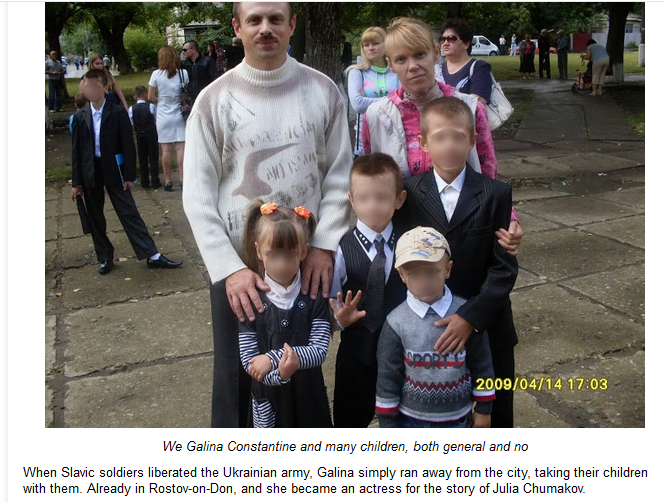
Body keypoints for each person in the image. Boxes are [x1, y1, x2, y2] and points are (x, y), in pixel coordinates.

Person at [182, 2, 352, 428]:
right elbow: (198, 196)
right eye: (254, 20)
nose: (265, 28)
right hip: (239, 272)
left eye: (276, 18)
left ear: (292, 24)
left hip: (302, 265)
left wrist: (323, 246)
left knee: (303, 374)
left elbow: (340, 176)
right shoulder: (213, 101)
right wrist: (229, 269)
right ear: (237, 27)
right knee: (239, 381)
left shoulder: (322, 91)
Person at [398, 96, 519, 428]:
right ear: (424, 143)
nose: (449, 145)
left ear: (473, 140)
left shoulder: (495, 193)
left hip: (487, 325)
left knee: (494, 417)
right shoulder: (409, 193)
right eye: (439, 137)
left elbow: (504, 267)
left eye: (458, 136)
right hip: (429, 331)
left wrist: (470, 317)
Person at [361, 17, 522, 257]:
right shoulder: (377, 116)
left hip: (465, 233)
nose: (413, 66)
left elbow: (488, 171)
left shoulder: (469, 108)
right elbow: (371, 179)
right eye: (401, 59)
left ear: (436, 53)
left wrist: (508, 217)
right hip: (404, 239)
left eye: (420, 54)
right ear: (390, 64)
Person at [375, 227, 495, 428]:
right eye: (414, 273)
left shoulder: (465, 316)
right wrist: (388, 423)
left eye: (431, 272)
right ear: (402, 275)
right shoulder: (396, 322)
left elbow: (482, 363)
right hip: (411, 421)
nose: (423, 281)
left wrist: (484, 409)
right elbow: (388, 376)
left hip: (458, 419)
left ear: (447, 269)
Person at [71, 69, 182, 275]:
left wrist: (129, 175)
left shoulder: (117, 112)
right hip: (90, 172)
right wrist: (76, 182)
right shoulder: (80, 116)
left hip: (114, 170)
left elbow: (128, 145)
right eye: (87, 86)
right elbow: (76, 150)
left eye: (94, 86)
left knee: (128, 212)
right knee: (95, 216)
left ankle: (151, 254)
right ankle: (104, 256)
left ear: (105, 88)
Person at [329, 153, 407, 428]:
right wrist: (339, 319)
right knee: (349, 422)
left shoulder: (408, 242)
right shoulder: (341, 247)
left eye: (382, 198)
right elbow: (331, 299)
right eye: (364, 198)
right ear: (351, 200)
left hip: (401, 354)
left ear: (399, 199)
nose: (372, 205)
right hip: (356, 354)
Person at [239, 201, 332, 427]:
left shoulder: (313, 295)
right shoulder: (251, 299)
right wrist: (280, 374)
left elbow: (319, 350)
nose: (281, 264)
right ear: (259, 251)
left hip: (308, 397)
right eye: (273, 255)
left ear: (304, 251)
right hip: (269, 399)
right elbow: (249, 361)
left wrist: (273, 359)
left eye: (290, 256)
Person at [345, 27, 400, 156]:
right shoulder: (357, 72)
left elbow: (404, 101)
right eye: (366, 45)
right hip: (366, 138)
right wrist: (392, 99)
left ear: (386, 44)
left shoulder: (397, 70)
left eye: (375, 43)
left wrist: (368, 100)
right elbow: (358, 105)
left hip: (394, 135)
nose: (370, 48)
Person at [148, 45, 188, 192]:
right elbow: (185, 92)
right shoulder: (183, 73)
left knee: (166, 149)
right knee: (180, 148)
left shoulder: (156, 75)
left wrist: (160, 100)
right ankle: (182, 179)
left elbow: (150, 96)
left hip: (163, 115)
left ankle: (168, 180)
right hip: (179, 113)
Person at [435, 18, 492, 104]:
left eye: (451, 38)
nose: (445, 43)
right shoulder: (436, 70)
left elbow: (477, 103)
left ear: (466, 44)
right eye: (443, 39)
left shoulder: (479, 68)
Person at [128, 86, 161, 189]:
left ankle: (144, 181)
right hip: (151, 134)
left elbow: (131, 123)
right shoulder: (151, 107)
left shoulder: (131, 109)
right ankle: (155, 180)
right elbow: (156, 119)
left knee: (142, 158)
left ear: (135, 97)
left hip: (140, 135)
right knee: (153, 157)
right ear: (146, 95)